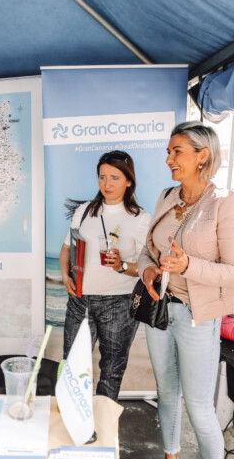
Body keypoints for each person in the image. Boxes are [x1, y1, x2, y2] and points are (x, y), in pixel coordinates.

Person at [137, 121, 234, 459]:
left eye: (177, 152)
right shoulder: (167, 196)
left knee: (200, 407)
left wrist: (188, 266)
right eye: (168, 152)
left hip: (197, 318)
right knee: (166, 394)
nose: (169, 159)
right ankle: (170, 455)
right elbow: (149, 250)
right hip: (160, 310)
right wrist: (148, 271)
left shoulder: (227, 203)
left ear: (203, 156)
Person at [59, 150, 150, 401]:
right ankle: (77, 422)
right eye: (102, 177)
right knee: (73, 366)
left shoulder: (140, 219)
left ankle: (102, 426)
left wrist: (122, 266)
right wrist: (66, 277)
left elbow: (146, 266)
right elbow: (67, 248)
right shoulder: (85, 211)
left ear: (129, 181)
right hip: (80, 301)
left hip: (119, 302)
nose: (107, 184)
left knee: (111, 370)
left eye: (115, 178)